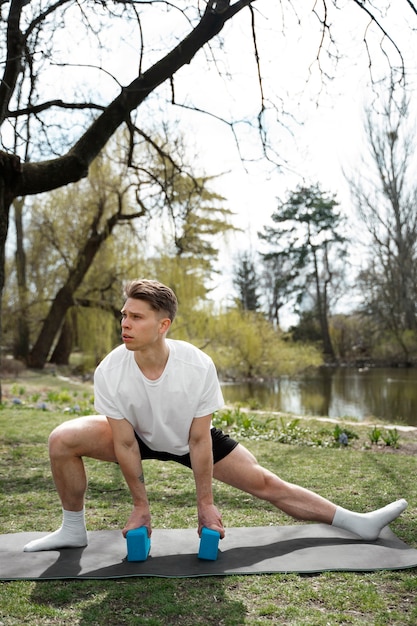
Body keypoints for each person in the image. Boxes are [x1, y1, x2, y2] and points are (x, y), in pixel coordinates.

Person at [24, 279, 407, 552]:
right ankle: (73, 529)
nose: (124, 324)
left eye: (136, 318)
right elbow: (124, 441)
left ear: (163, 325)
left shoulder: (196, 364)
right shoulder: (111, 369)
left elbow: (197, 440)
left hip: (190, 437)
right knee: (62, 439)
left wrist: (205, 503)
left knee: (265, 483)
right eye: (124, 315)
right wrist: (141, 505)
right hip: (137, 435)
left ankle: (358, 522)